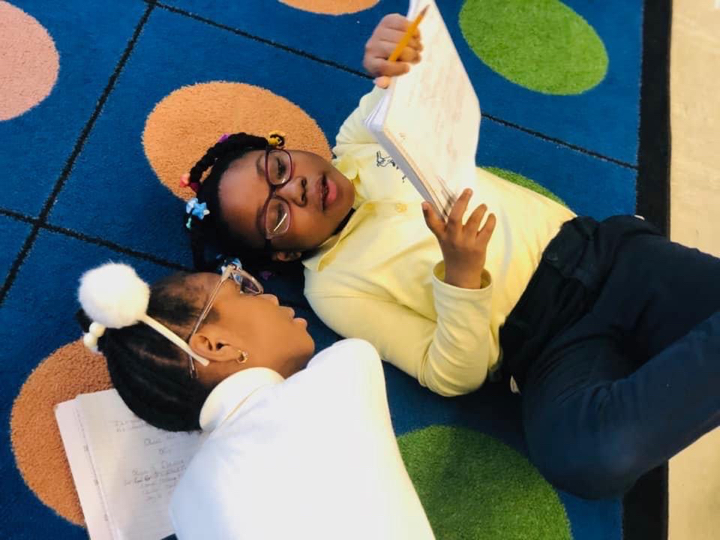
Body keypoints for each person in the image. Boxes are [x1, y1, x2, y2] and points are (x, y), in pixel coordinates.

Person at [180, 12, 720, 499]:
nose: (295, 188)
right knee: (586, 457)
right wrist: (462, 276)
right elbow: (449, 375)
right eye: (276, 216)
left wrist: (397, 48)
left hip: (609, 259)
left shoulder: (361, 142)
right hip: (547, 349)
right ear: (283, 255)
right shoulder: (335, 289)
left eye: (278, 168)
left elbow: (413, 77)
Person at [77, 261, 435, 539]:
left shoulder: (183, 508)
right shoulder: (345, 367)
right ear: (215, 345)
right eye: (243, 291)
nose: (270, 297)